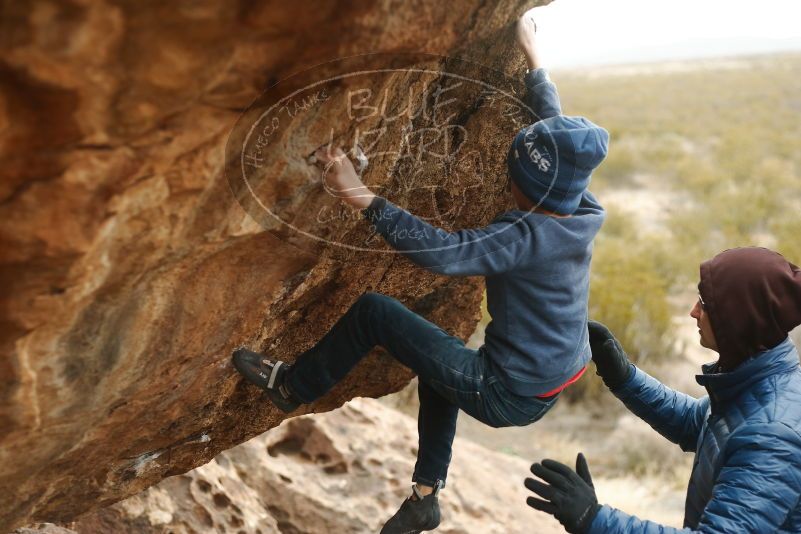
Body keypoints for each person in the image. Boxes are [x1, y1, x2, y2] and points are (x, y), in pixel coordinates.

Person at [233, 9, 609, 533]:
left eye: (514, 173)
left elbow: (444, 253)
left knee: (374, 313)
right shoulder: (578, 205)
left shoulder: (526, 236)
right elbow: (556, 135)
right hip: (549, 375)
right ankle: (425, 497)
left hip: (510, 391)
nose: (508, 179)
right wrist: (535, 59)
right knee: (441, 362)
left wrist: (361, 195)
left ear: (533, 188)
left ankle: (293, 385)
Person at [524, 246, 801, 533]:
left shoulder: (772, 437)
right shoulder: (756, 384)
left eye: (705, 304)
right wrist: (623, 377)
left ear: (739, 320)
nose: (694, 311)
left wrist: (594, 520)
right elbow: (698, 423)